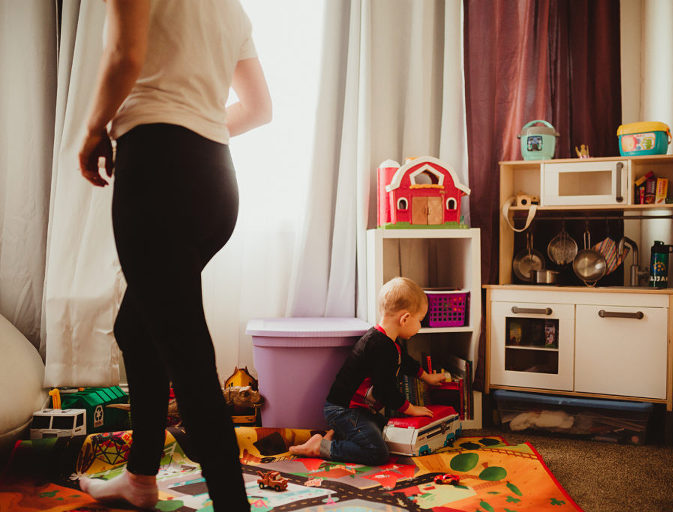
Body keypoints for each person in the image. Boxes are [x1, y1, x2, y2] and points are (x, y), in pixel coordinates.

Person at [76, 1, 271, 510]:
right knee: (136, 330)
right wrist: (196, 128)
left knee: (186, 355)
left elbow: (125, 54)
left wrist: (94, 129)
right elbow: (258, 108)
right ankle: (140, 476)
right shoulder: (227, 7)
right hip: (215, 182)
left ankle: (233, 504)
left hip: (159, 169)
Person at [289, 277, 446, 465]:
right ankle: (321, 447)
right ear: (405, 319)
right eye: (420, 320)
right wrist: (411, 409)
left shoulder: (389, 342)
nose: (420, 327)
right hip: (343, 410)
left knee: (387, 430)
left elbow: (405, 362)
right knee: (377, 452)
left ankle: (332, 436)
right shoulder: (379, 345)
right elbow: (385, 390)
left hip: (360, 411)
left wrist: (427, 377)